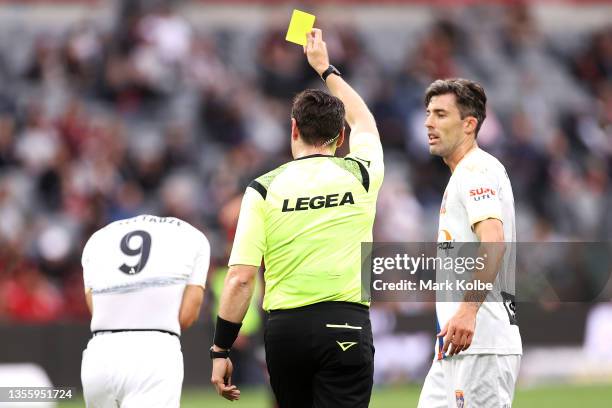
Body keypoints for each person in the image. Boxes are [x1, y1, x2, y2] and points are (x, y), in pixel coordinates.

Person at [209, 28, 384, 408]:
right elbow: (365, 121)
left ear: (293, 129)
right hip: (347, 321)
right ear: (341, 136)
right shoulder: (362, 173)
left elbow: (240, 277)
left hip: (285, 329)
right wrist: (326, 68)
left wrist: (220, 349)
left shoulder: (262, 188)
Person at [417, 79, 522, 408]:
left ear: (469, 124)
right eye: (428, 114)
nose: (428, 122)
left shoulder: (476, 170)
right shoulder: (462, 174)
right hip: (456, 344)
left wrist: (467, 311)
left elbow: (493, 241)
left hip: (482, 341)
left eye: (440, 114)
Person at [80, 214, 209, 408]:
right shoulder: (193, 236)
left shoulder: (98, 238)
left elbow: (94, 308)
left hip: (98, 353)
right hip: (154, 351)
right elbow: (186, 316)